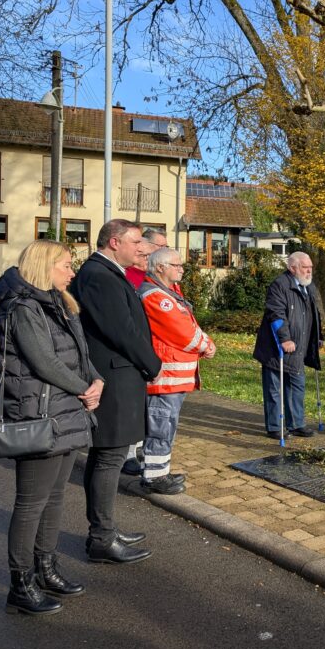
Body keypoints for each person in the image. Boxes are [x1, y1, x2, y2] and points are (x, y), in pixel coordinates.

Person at [0, 240, 104, 615]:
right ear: (44, 266)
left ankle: (46, 567)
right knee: (31, 502)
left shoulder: (61, 303)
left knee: (54, 497)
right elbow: (43, 362)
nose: (73, 272)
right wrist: (85, 389)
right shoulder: (23, 308)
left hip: (67, 410)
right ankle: (19, 583)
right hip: (38, 414)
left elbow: (81, 355)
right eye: (67, 265)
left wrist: (96, 380)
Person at [70, 219, 162, 564]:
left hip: (117, 376)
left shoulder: (104, 273)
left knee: (106, 456)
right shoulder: (99, 276)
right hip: (114, 377)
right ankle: (101, 538)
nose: (141, 248)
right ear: (113, 242)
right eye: (136, 241)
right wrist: (153, 364)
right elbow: (121, 331)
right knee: (109, 457)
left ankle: (104, 528)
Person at [138, 247, 216, 494]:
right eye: (177, 265)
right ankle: (154, 477)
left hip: (175, 377)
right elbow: (181, 330)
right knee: (161, 425)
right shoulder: (155, 296)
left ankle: (161, 471)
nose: (182, 269)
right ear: (160, 267)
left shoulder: (168, 292)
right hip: (166, 377)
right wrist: (206, 345)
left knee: (166, 425)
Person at [253, 251, 322, 439]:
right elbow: (276, 314)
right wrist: (284, 339)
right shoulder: (280, 285)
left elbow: (314, 315)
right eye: (305, 268)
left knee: (297, 386)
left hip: (300, 346)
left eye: (310, 268)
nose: (309, 271)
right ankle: (275, 427)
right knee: (274, 388)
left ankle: (297, 424)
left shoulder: (309, 287)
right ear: (292, 268)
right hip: (276, 347)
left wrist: (317, 337)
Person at [122, 232, 162, 474]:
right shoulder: (128, 277)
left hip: (149, 349)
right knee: (132, 407)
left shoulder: (148, 278)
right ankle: (127, 454)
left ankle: (138, 450)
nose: (148, 259)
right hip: (134, 351)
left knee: (144, 408)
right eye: (145, 254)